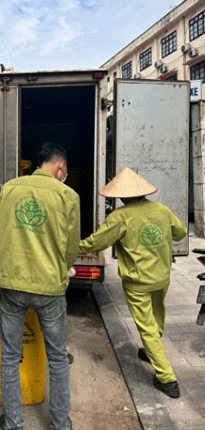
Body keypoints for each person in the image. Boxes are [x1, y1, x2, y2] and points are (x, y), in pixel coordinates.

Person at [0, 143, 80, 430]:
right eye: (65, 170)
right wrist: (61, 268)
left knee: (9, 356)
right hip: (50, 289)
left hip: (12, 287)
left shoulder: (11, 189)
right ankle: (59, 429)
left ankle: (14, 428)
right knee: (58, 358)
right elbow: (71, 248)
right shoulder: (68, 196)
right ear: (60, 167)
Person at [79, 167, 187, 398]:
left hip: (138, 281)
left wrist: (73, 247)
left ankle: (166, 378)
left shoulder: (120, 217)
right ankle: (151, 351)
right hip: (162, 277)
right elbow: (180, 233)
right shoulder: (162, 210)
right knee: (157, 315)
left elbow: (97, 243)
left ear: (121, 196)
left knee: (146, 327)